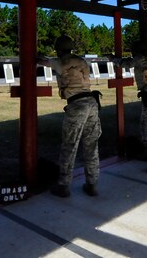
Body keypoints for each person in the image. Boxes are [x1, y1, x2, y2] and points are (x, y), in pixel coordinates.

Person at [37, 35, 102, 198]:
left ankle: (64, 185)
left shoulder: (60, 62)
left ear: (58, 49)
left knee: (69, 146)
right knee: (91, 145)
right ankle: (92, 183)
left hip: (76, 105)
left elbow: (41, 61)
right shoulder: (82, 61)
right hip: (92, 103)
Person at [110, 40, 147, 174]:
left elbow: (125, 64)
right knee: (144, 123)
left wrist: (113, 59)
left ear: (136, 50)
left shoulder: (139, 59)